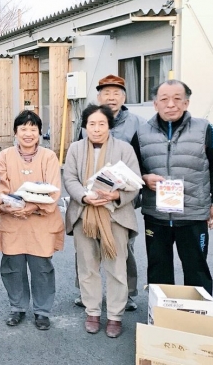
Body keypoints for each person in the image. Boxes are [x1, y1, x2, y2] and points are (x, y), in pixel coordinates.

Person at [130, 80, 213, 295]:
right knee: (158, 270)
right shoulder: (142, 133)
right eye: (164, 99)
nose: (170, 104)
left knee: (196, 269)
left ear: (186, 103)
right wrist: (144, 178)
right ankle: (162, 319)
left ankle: (197, 319)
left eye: (177, 99)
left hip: (193, 214)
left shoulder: (205, 129)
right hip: (156, 216)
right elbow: (132, 168)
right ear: (155, 104)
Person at [64, 104, 141, 338]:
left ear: (110, 125)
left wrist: (117, 195)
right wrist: (84, 196)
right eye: (92, 124)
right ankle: (93, 311)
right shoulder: (76, 148)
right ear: (85, 126)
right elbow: (69, 177)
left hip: (114, 216)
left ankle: (116, 316)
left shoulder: (124, 149)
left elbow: (135, 182)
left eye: (102, 124)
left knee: (117, 267)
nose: (96, 129)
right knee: (87, 266)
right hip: (84, 215)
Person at [75, 74, 146, 311]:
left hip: (120, 199)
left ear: (124, 97)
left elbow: (140, 159)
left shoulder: (135, 122)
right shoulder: (88, 121)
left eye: (116, 93)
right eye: (106, 93)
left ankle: (128, 293)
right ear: (99, 97)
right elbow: (78, 161)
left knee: (123, 250)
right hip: (90, 199)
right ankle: (86, 294)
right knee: (87, 251)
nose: (111, 97)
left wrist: (127, 193)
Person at [0, 111, 64, 331]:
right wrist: (5, 205)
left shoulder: (49, 156)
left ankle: (42, 311)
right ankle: (18, 308)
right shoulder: (4, 156)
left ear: (40, 133)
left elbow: (54, 189)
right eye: (23, 128)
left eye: (33, 129)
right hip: (12, 220)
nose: (28, 133)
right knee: (13, 267)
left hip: (41, 221)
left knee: (41, 268)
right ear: (15, 132)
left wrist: (31, 207)